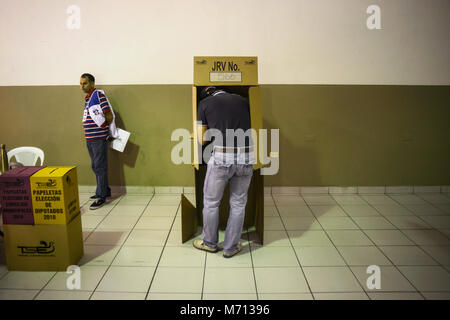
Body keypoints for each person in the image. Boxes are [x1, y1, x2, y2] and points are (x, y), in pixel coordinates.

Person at [193, 86, 255, 258]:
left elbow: (202, 139)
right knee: (238, 204)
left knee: (212, 202)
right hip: (247, 156)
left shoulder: (204, 103)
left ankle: (209, 243)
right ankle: (231, 247)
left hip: (222, 157)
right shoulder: (243, 101)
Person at [80, 73, 113, 209]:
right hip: (90, 138)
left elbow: (108, 115)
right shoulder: (87, 98)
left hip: (98, 138)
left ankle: (101, 196)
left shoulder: (98, 96)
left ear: (92, 83)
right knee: (95, 166)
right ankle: (103, 190)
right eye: (81, 84)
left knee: (100, 166)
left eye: (85, 83)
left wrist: (104, 129)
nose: (82, 86)